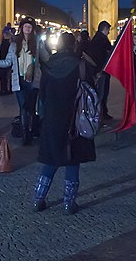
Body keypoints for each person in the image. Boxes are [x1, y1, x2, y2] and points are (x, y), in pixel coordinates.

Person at [32, 32, 95, 214]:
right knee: (73, 160)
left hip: (52, 119)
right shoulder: (80, 65)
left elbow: (41, 95)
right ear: (73, 45)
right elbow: (90, 91)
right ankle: (69, 203)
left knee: (51, 159)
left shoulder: (48, 66)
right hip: (74, 118)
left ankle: (39, 198)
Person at [0, 18, 43, 145]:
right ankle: (26, 134)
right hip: (19, 80)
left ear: (33, 29)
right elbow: (8, 61)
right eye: (25, 26)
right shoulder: (14, 44)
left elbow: (46, 58)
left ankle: (30, 130)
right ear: (21, 28)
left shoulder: (38, 43)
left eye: (30, 27)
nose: (27, 28)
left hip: (33, 81)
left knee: (31, 108)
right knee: (23, 108)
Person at [88, 21, 113, 120]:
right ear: (105, 29)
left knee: (101, 92)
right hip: (102, 71)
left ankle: (102, 112)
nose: (109, 32)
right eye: (108, 30)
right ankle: (101, 114)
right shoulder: (102, 40)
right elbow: (104, 55)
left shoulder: (96, 39)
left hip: (99, 70)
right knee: (102, 93)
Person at [0, 27, 12, 96]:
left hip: (4, 61)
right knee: (6, 76)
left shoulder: (4, 42)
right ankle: (7, 89)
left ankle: (4, 89)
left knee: (3, 76)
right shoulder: (9, 42)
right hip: (5, 61)